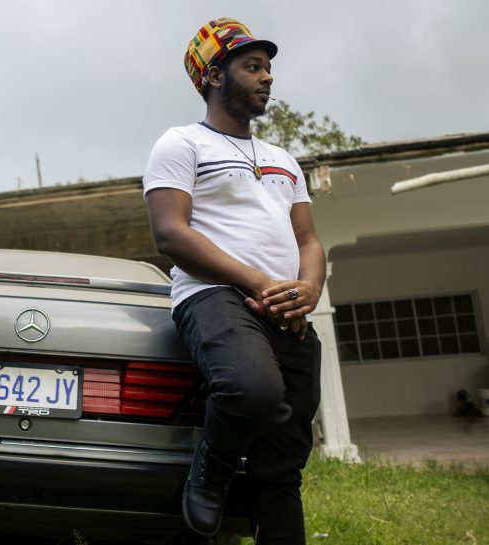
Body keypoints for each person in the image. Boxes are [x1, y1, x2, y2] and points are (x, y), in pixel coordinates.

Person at [142, 17, 325, 544]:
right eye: (252, 66)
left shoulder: (283, 161)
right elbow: (170, 234)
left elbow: (309, 241)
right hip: (213, 297)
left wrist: (307, 289)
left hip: (285, 311)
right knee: (253, 390)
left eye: (268, 67)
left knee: (283, 462)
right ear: (214, 77)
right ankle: (212, 467)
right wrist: (259, 282)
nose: (267, 77)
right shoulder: (180, 144)